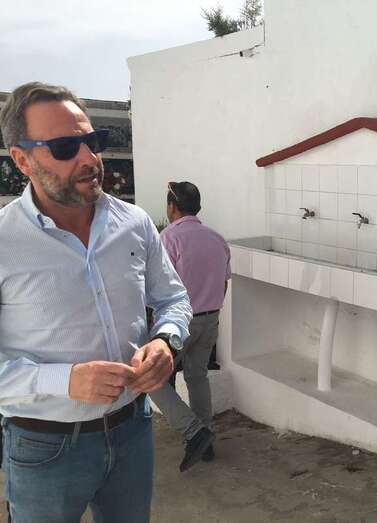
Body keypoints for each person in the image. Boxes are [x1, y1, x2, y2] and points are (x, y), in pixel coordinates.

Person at [0, 82, 192, 522]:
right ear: (22, 160)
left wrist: (165, 341)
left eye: (93, 141)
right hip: (43, 445)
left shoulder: (135, 223)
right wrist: (64, 380)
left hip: (132, 431)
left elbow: (173, 298)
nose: (89, 158)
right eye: (66, 147)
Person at [149, 181, 231, 472]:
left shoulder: (168, 238)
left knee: (152, 380)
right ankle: (204, 439)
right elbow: (223, 282)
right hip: (211, 318)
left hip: (179, 323)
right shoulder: (217, 239)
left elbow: (157, 286)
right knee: (197, 377)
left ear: (172, 206)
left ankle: (194, 431)